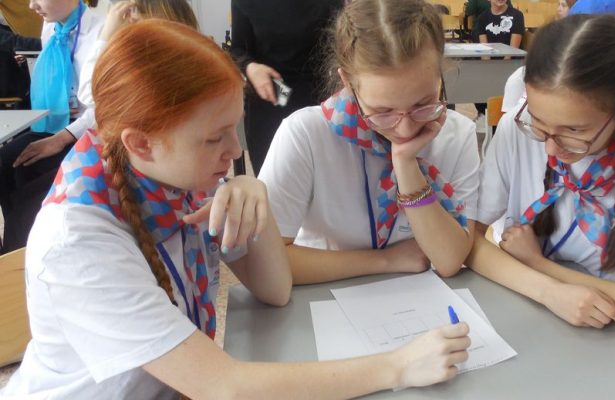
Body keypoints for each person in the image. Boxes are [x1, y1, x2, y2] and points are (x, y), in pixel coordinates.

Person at [1, 19, 471, 399]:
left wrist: (254, 193)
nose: (234, 151)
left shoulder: (178, 180)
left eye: (235, 129)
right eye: (214, 138)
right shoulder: (80, 242)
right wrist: (397, 367)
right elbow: (223, 386)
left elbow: (274, 290)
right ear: (141, 143)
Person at [467, 13, 615, 337]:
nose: (550, 149)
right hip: (521, 309)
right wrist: (549, 291)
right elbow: (469, 242)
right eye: (538, 122)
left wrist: (538, 264)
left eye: (574, 131)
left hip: (608, 333)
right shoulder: (516, 130)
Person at [259, 0, 479, 284]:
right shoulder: (306, 134)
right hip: (324, 297)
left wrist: (406, 165)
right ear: (347, 82)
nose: (405, 128)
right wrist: (386, 261)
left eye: (422, 103)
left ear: (440, 72)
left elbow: (449, 260)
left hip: (422, 297)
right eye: (383, 112)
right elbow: (266, 261)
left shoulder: (458, 134)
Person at [0, 0, 102, 255]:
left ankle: (22, 246)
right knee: (5, 163)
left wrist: (61, 138)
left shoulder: (101, 34)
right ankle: (13, 252)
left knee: (27, 197)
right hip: (55, 124)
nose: (32, 5)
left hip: (89, 134)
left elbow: (104, 108)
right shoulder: (51, 30)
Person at [230, 0, 344, 175]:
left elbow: (343, 40)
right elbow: (237, 50)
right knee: (273, 178)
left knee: (323, 176)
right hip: (270, 97)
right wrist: (251, 67)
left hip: (320, 99)